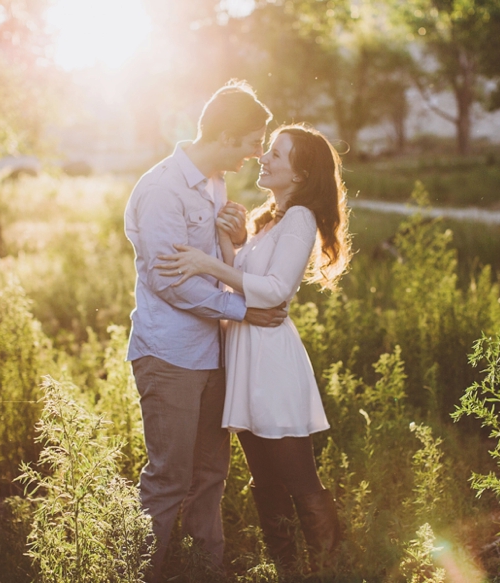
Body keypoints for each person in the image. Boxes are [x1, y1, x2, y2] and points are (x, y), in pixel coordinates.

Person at [157, 124, 352, 572]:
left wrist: (205, 262)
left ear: (301, 173)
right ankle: (289, 569)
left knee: (300, 478)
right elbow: (244, 282)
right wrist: (232, 242)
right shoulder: (274, 219)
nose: (264, 157)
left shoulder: (301, 217)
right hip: (245, 354)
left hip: (271, 361)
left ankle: (333, 569)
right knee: (265, 481)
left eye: (277, 155)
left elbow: (275, 289)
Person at [124, 80, 287, 580]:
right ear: (224, 134)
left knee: (212, 475)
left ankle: (204, 572)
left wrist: (233, 239)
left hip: (212, 354)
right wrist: (243, 311)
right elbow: (169, 284)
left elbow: (209, 264)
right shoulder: (161, 190)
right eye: (252, 142)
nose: (256, 154)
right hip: (169, 356)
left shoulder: (214, 182)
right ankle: (138, 573)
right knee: (168, 479)